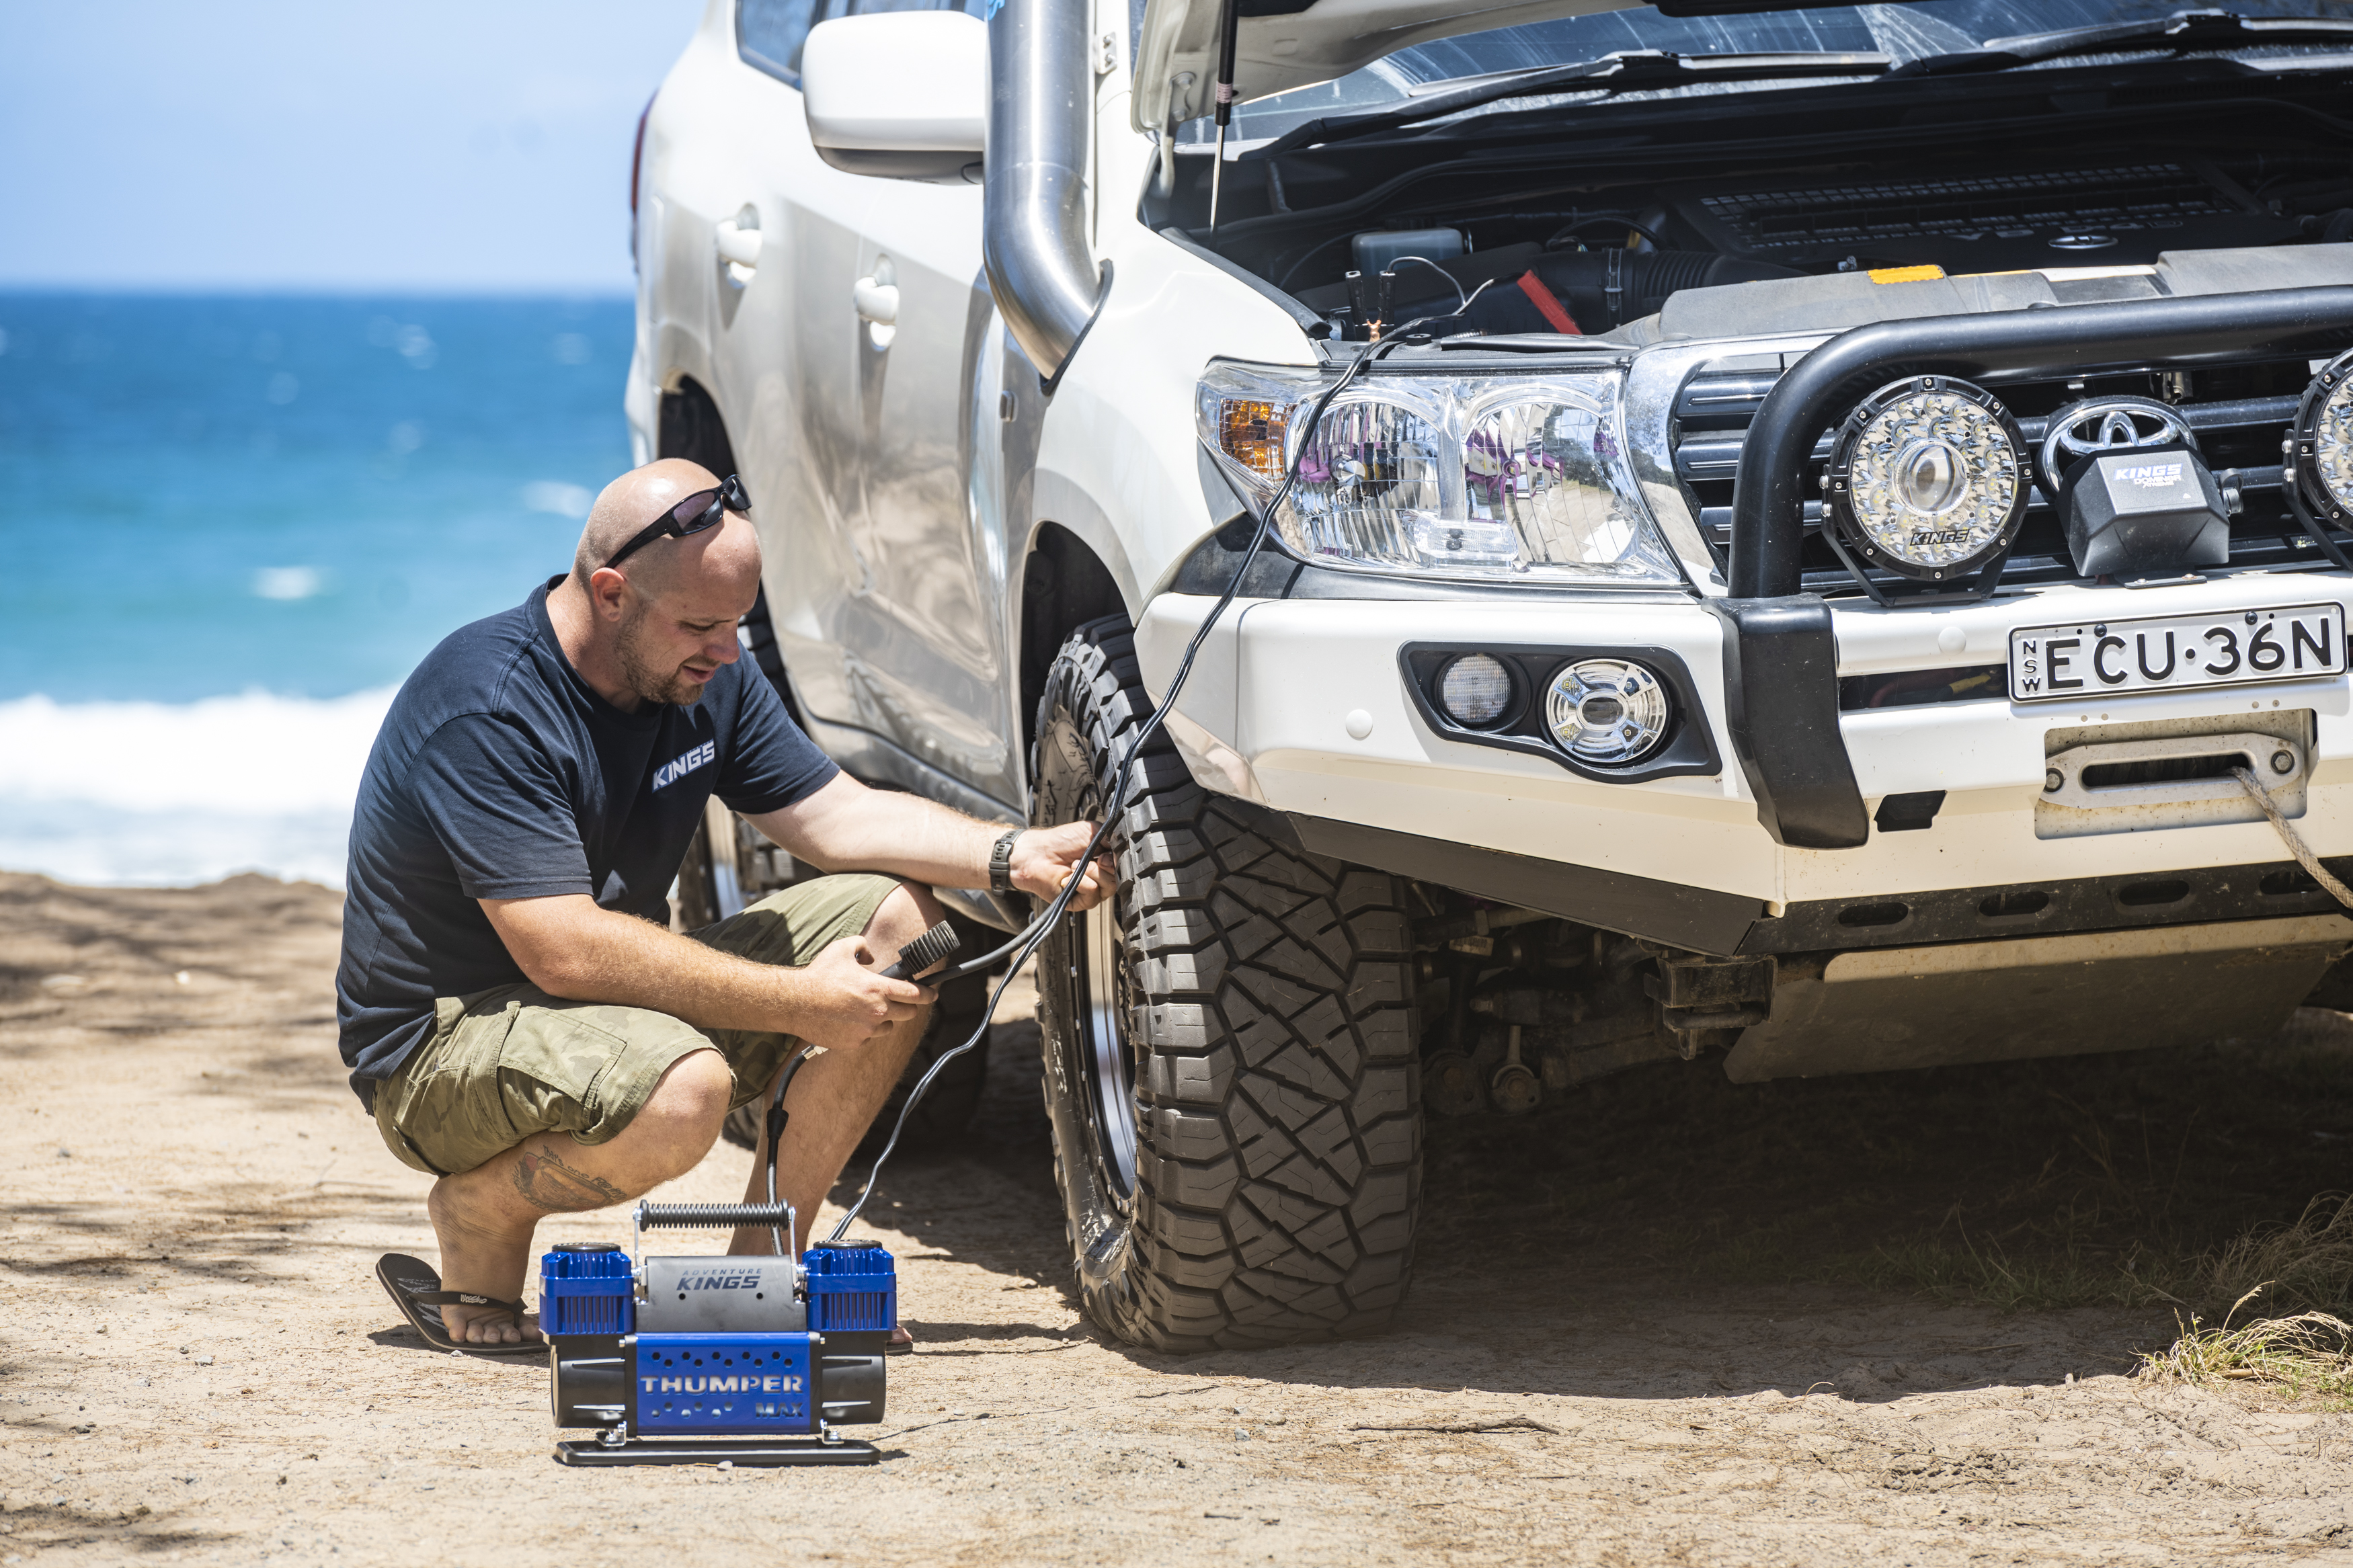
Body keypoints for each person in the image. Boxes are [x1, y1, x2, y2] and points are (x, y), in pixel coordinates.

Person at [336, 458, 1112, 1348]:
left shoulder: (701, 671)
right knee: (686, 1097)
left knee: (909, 923)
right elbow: (565, 950)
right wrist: (808, 1003)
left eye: (738, 623)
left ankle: (756, 1270)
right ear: (611, 593)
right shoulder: (491, 707)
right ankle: (480, 1210)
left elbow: (835, 815)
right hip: (441, 1044)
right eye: (702, 623)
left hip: (597, 1010)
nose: (727, 650)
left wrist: (1014, 855)